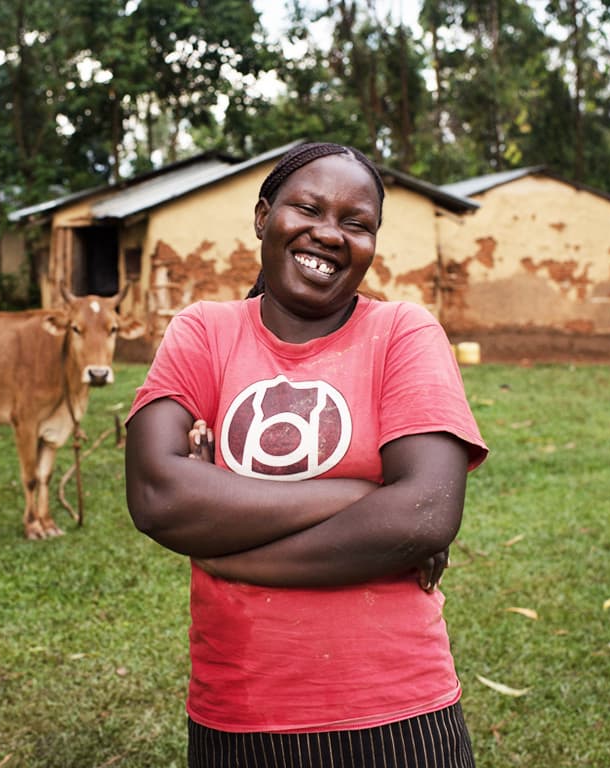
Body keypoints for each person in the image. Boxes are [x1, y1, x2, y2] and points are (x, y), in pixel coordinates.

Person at [125, 142, 488, 768]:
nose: (329, 235)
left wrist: (228, 551)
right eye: (308, 209)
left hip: (399, 708)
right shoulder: (203, 332)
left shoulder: (403, 332)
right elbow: (159, 495)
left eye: (357, 224)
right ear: (265, 216)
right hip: (240, 709)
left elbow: (425, 514)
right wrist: (365, 495)